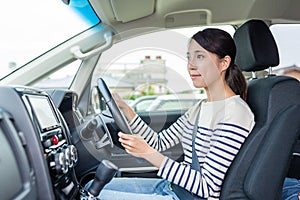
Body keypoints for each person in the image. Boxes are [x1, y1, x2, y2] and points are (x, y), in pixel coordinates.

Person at [94, 28, 255, 199]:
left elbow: (207, 187)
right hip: (173, 187)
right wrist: (127, 110)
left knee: (94, 195)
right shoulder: (201, 107)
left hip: (189, 196)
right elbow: (159, 142)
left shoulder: (235, 113)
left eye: (200, 57)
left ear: (223, 63)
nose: (190, 65)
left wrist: (147, 153)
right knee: (93, 186)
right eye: (189, 57)